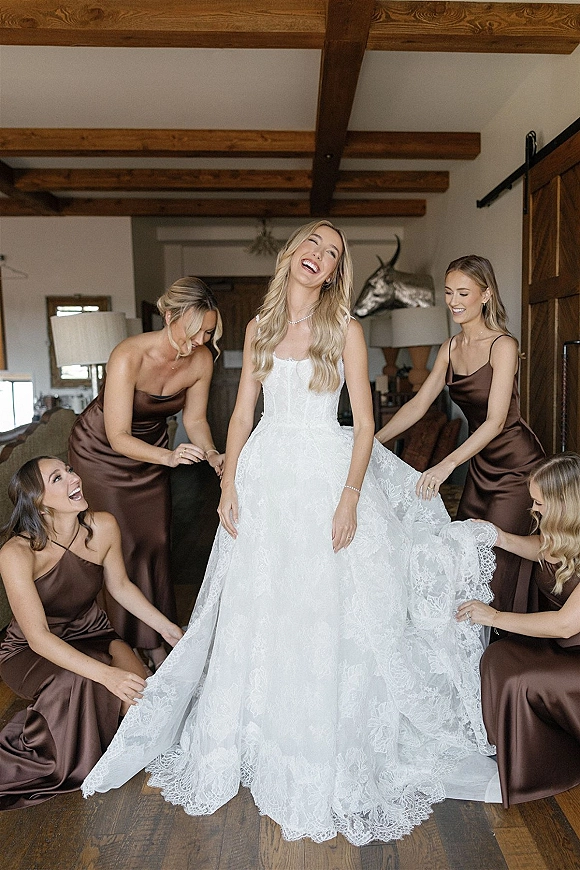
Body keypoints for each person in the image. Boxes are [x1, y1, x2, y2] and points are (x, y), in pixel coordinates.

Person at [82, 220, 497, 845]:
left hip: (328, 477)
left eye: (331, 253)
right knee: (261, 605)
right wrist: (227, 485)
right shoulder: (258, 328)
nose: (319, 256)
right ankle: (259, 733)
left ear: (334, 272)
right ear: (292, 253)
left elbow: (363, 424)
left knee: (327, 608)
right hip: (267, 478)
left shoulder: (347, 330)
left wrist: (350, 498)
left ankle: (323, 738)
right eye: (313, 244)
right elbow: (244, 412)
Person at [0, 457, 183, 810]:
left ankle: (142, 749)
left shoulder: (103, 527)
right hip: (29, 651)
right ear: (39, 500)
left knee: (139, 697)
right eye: (58, 477)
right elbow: (38, 637)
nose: (73, 477)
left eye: (69, 469)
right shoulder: (16, 553)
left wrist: (168, 628)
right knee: (84, 681)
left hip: (93, 633)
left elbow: (120, 586)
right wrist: (107, 676)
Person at [68, 278, 223, 669]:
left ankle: (153, 638)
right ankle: (121, 642)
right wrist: (169, 458)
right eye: (195, 330)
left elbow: (196, 419)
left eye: (208, 332)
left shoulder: (202, 359)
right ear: (170, 316)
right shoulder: (128, 356)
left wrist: (211, 452)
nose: (201, 340)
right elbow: (118, 436)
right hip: (101, 452)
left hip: (153, 453)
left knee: (155, 539)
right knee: (120, 544)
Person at [376, 255, 544, 614]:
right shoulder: (450, 348)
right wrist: (372, 440)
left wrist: (444, 465)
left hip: (517, 468)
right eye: (449, 292)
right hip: (479, 464)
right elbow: (419, 405)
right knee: (465, 557)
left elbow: (496, 421)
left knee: (497, 563)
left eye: (463, 292)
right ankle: (473, 656)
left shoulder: (504, 346)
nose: (453, 301)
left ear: (485, 295)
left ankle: (506, 650)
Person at [457, 452, 580, 808]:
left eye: (540, 503)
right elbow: (543, 550)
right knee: (499, 657)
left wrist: (494, 616)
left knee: (521, 678)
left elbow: (565, 623)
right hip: (566, 647)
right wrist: (495, 535)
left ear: (564, 503)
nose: (535, 510)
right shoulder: (565, 532)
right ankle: (517, 756)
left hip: (572, 649)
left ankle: (546, 767)